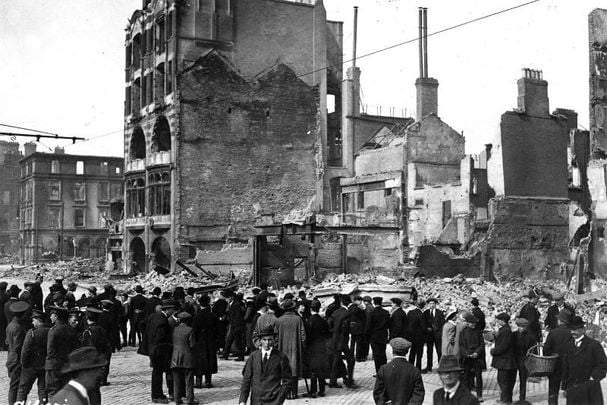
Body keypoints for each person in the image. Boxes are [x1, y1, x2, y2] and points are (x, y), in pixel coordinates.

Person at [239, 326, 292, 405]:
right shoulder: (254, 356)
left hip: (273, 401)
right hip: (256, 401)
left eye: (270, 339)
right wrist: (242, 401)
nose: (267, 343)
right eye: (264, 340)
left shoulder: (280, 357)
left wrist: (280, 397)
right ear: (260, 341)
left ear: (274, 340)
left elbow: (288, 380)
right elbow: (246, 379)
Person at [561, 315, 607, 405]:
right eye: (571, 329)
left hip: (590, 389)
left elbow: (603, 364)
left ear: (582, 329)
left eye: (576, 329)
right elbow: (565, 366)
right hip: (572, 388)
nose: (573, 332)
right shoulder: (567, 345)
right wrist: (564, 386)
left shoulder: (594, 345)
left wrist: (593, 378)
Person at [373, 337, 425, 405]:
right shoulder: (414, 371)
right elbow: (418, 394)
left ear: (393, 351)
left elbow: (378, 393)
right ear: (407, 352)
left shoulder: (384, 369)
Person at [146, 300, 177, 404]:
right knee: (158, 374)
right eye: (172, 310)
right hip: (159, 351)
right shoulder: (163, 321)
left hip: (153, 349)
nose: (173, 312)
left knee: (156, 373)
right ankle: (157, 395)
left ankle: (156, 394)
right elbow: (161, 337)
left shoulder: (154, 316)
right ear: (168, 310)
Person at [16, 309, 49, 405]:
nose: (32, 322)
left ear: (38, 320)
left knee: (22, 390)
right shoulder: (49, 331)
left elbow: (25, 350)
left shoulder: (32, 333)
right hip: (43, 365)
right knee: (43, 390)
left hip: (30, 366)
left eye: (34, 320)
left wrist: (24, 364)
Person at [275, 299, 306, 399]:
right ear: (293, 308)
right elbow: (303, 336)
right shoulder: (298, 319)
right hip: (295, 349)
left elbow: (275, 337)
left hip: (282, 350)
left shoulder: (279, 320)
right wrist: (303, 347)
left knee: (284, 371)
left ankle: (286, 393)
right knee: (294, 371)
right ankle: (294, 393)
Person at [46, 305, 78, 397]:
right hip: (67, 365)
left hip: (54, 366)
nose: (50, 317)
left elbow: (50, 351)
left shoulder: (53, 331)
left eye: (52, 315)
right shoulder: (71, 330)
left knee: (53, 393)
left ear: (56, 316)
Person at [544, 309, 574, 405]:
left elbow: (546, 350)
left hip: (555, 366)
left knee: (553, 392)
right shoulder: (574, 333)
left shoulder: (553, 332)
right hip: (570, 366)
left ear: (560, 320)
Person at [304, 300, 330, 398]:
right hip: (322, 348)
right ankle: (322, 390)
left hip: (312, 349)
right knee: (321, 370)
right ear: (319, 309)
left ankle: (313, 390)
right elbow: (327, 333)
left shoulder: (309, 321)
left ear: (311, 309)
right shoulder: (322, 320)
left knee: (313, 370)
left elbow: (308, 336)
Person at [192, 294, 218, 389]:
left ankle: (198, 382)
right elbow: (217, 330)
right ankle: (208, 381)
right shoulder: (213, 315)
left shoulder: (197, 316)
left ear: (200, 304)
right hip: (211, 341)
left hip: (200, 341)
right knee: (210, 360)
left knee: (199, 362)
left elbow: (194, 331)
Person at [171, 312, 198, 405]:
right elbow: (192, 344)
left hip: (175, 357)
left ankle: (177, 399)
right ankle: (190, 400)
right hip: (187, 357)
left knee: (177, 380)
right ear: (188, 320)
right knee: (189, 380)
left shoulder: (174, 329)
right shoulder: (190, 330)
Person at [328, 294, 354, 388]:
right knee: (350, 360)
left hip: (335, 339)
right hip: (343, 340)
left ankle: (333, 381)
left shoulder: (335, 312)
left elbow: (329, 324)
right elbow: (345, 328)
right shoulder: (347, 313)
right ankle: (349, 379)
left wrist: (334, 332)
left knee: (336, 361)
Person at [490, 312, 516, 404]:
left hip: (504, 360)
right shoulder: (506, 330)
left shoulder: (505, 331)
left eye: (499, 320)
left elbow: (503, 346)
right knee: (506, 381)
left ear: (503, 320)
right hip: (506, 360)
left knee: (503, 381)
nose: (497, 321)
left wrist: (493, 351)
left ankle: (505, 400)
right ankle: (506, 399)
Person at [6, 301, 28, 405]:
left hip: (11, 357)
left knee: (13, 385)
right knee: (16, 385)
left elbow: (8, 342)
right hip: (17, 360)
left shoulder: (11, 325)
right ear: (22, 314)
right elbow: (18, 346)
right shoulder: (18, 328)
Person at [459, 312, 484, 402]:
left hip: (477, 357)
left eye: (475, 323)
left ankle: (479, 395)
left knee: (478, 376)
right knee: (466, 377)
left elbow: (482, 344)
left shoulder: (478, 332)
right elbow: (461, 346)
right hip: (467, 358)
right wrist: (466, 354)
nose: (474, 325)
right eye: (472, 323)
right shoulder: (463, 332)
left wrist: (477, 353)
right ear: (468, 323)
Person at [512, 318, 536, 403]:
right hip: (514, 359)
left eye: (524, 327)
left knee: (523, 380)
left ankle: (522, 398)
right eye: (521, 327)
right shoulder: (513, 335)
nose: (522, 328)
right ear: (517, 326)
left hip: (525, 360)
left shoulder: (531, 336)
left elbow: (533, 349)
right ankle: (509, 396)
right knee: (512, 379)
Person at [366, 296, 391, 373]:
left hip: (374, 336)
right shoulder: (386, 313)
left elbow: (368, 326)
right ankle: (384, 371)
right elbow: (388, 324)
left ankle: (378, 372)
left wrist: (367, 336)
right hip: (383, 335)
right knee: (383, 354)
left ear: (374, 302)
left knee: (376, 355)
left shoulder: (371, 313)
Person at [223, 290, 246, 361]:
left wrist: (235, 324)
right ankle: (225, 355)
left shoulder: (236, 305)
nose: (226, 299)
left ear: (231, 297)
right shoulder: (232, 304)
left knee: (237, 341)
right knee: (230, 340)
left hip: (237, 326)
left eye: (227, 298)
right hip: (234, 325)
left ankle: (240, 356)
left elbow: (237, 316)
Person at [424, 297, 444, 373]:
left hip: (438, 336)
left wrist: (440, 333)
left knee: (439, 351)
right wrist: (427, 328)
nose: (431, 305)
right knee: (429, 351)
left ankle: (441, 367)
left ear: (436, 304)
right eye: (430, 304)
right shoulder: (425, 313)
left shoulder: (440, 312)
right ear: (428, 304)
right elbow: (423, 323)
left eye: (433, 304)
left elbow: (443, 324)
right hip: (429, 336)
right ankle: (429, 367)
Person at [406, 299, 426, 370]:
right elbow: (423, 327)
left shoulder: (410, 312)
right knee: (419, 354)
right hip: (420, 338)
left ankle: (410, 367)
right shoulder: (422, 314)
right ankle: (418, 368)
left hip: (411, 337)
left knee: (412, 352)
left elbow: (407, 324)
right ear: (424, 306)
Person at [349, 295, 367, 363]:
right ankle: (358, 357)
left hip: (352, 327)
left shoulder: (350, 307)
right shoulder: (358, 309)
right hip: (359, 328)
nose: (361, 302)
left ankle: (350, 356)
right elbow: (363, 318)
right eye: (360, 301)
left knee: (352, 343)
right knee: (359, 343)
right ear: (357, 300)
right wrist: (363, 310)